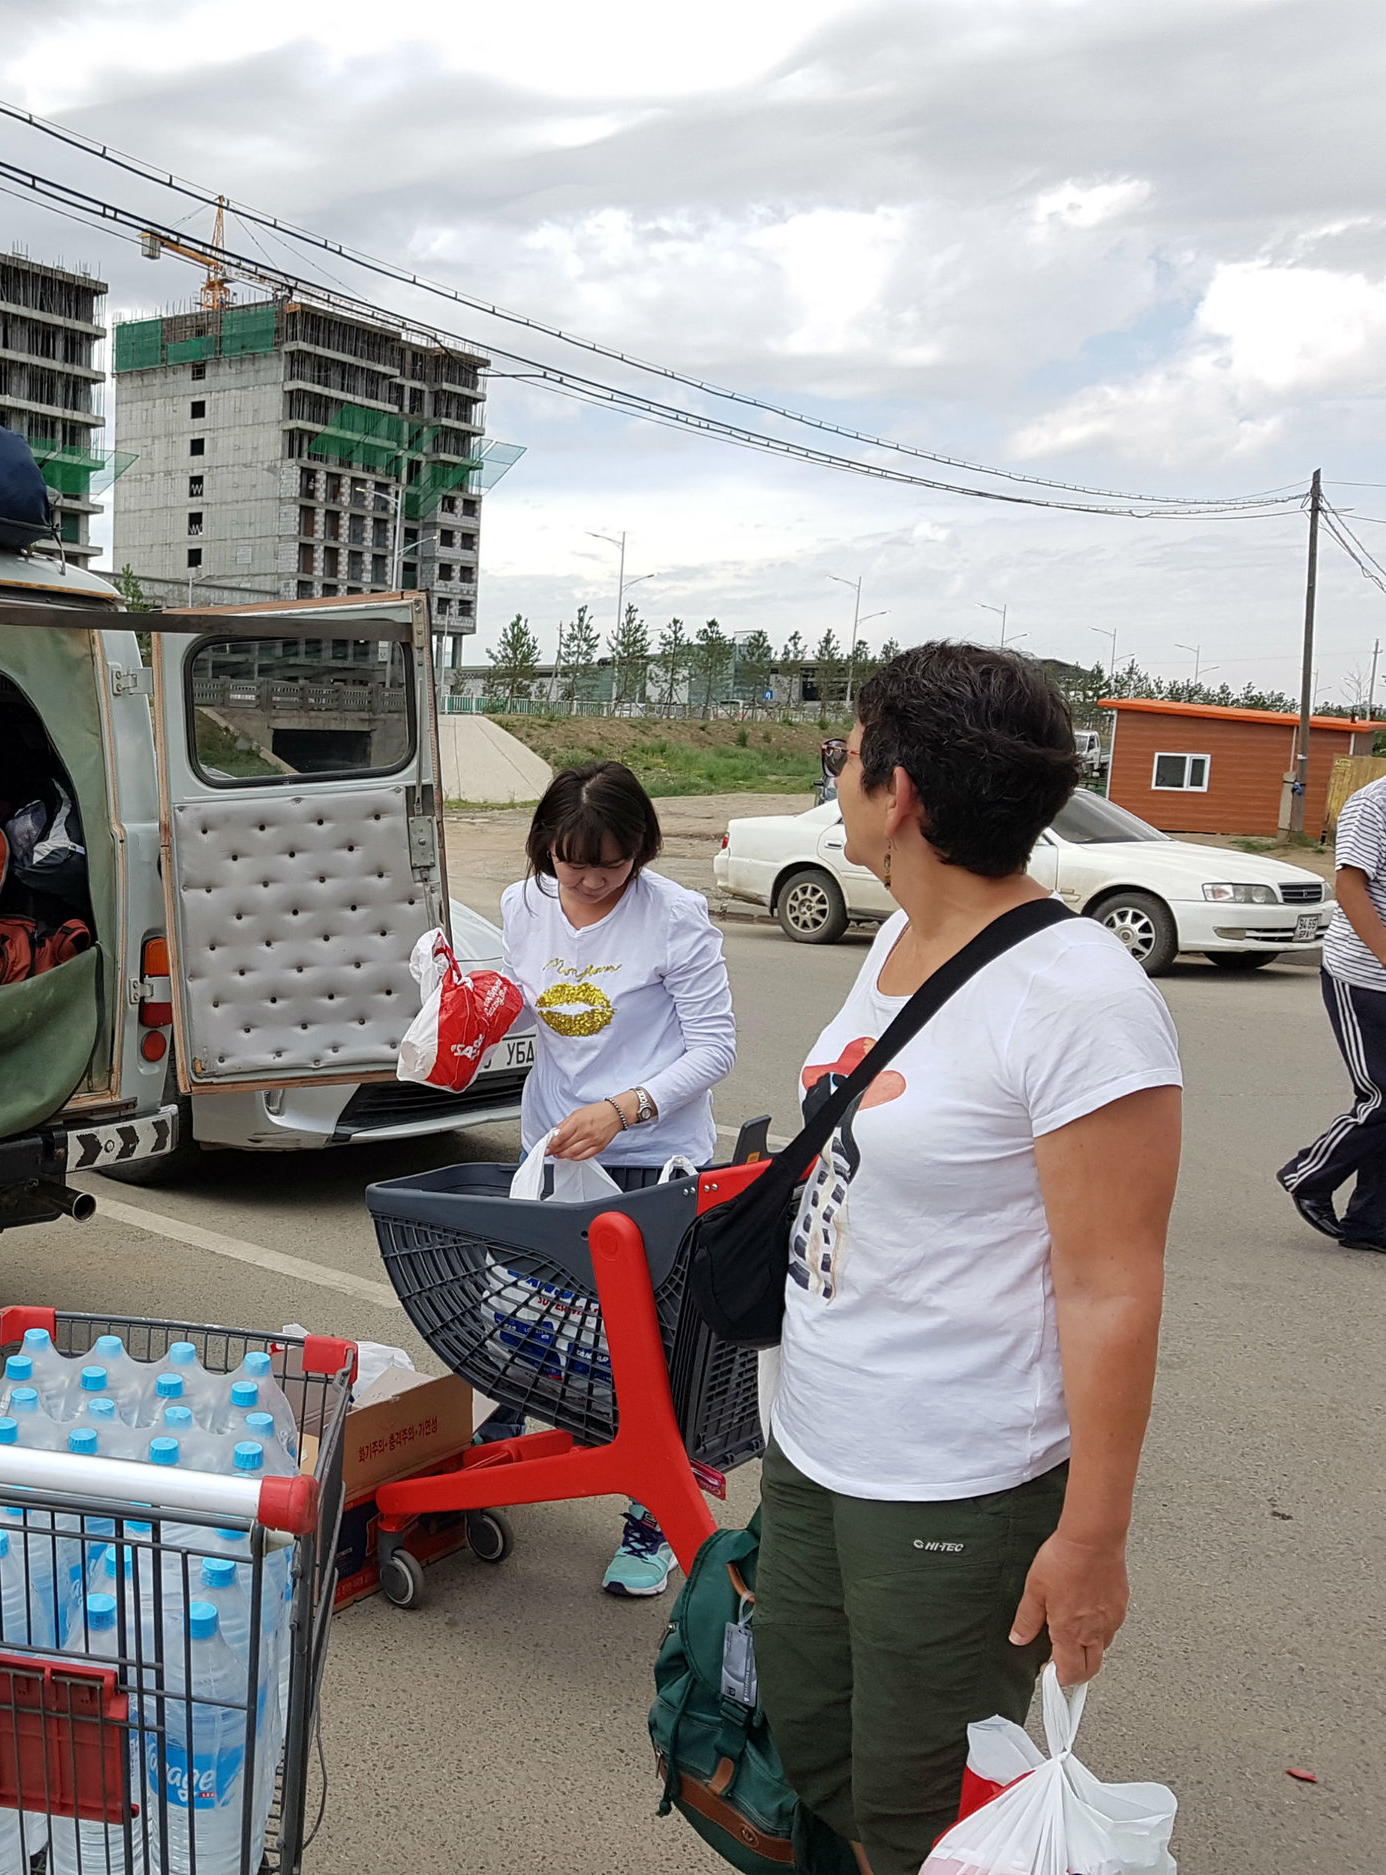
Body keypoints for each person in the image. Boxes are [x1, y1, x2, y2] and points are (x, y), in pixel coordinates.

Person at [763, 644, 1181, 1875]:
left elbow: (1112, 1288)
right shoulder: (893, 947)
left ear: (900, 798)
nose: (831, 772)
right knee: (812, 1745)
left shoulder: (1078, 998)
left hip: (955, 1481)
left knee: (919, 1807)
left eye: (843, 750)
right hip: (817, 1442)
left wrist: (1091, 1541)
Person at [492, 759, 736, 1597]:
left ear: (641, 852)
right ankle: (507, 1443)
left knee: (651, 1348)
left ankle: (656, 1517)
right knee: (531, 1308)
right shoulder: (523, 903)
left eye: (612, 864)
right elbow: (530, 1004)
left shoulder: (675, 919)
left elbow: (714, 1047)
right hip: (554, 1142)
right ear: (544, 850)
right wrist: (467, 1011)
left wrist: (626, 1108)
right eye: (573, 863)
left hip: (649, 1155)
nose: (591, 881)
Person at [1278, 769, 1386, 1251]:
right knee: (1382, 1099)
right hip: (1361, 975)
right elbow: (1348, 888)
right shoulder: (1372, 805)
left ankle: (1370, 1222)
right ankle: (1309, 1176)